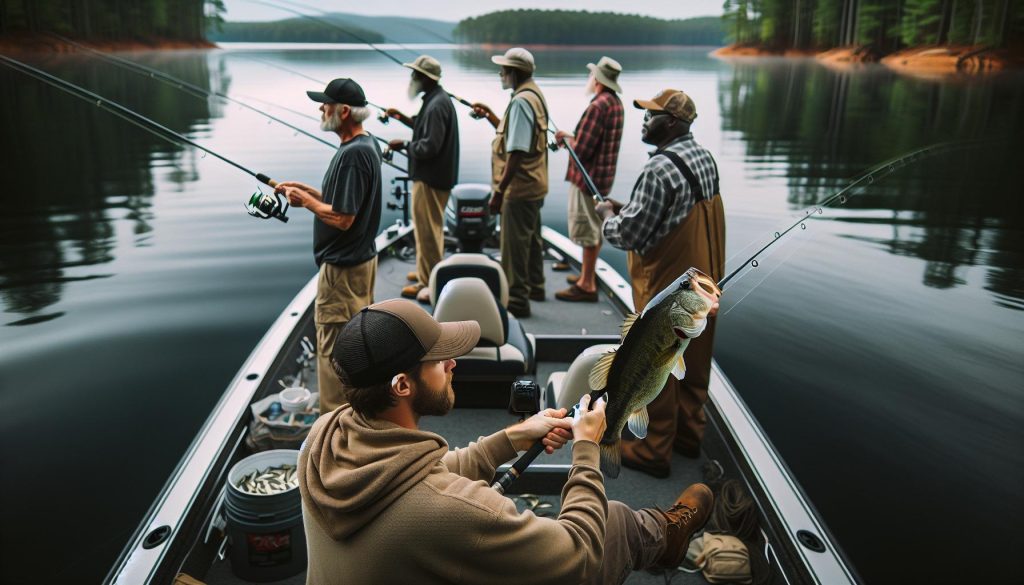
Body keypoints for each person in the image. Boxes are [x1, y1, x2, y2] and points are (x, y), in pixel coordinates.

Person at [298, 298, 714, 585]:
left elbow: (412, 481)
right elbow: (579, 558)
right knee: (613, 522)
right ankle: (666, 536)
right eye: (439, 360)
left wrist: (510, 438)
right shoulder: (452, 513)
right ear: (402, 384)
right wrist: (586, 450)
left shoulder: (322, 438)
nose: (452, 363)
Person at [595, 89, 725, 478]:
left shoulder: (658, 169)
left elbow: (630, 234)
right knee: (695, 360)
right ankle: (689, 435)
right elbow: (669, 213)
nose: (645, 121)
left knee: (655, 362)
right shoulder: (704, 157)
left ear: (670, 123)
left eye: (651, 115)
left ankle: (654, 449)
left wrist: (606, 216)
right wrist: (629, 208)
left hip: (669, 287)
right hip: (704, 284)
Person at [274, 78, 382, 414]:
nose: (321, 108)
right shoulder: (368, 145)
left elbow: (343, 217)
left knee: (335, 353)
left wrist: (305, 202)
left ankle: (335, 433)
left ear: (344, 111)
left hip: (343, 273)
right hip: (362, 264)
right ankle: (361, 418)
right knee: (358, 345)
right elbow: (345, 202)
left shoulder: (353, 155)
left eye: (326, 104)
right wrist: (304, 190)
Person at [471, 48, 549, 318]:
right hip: (535, 184)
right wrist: (492, 116)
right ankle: (536, 287)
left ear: (514, 73)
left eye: (504, 69)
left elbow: (515, 152)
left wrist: (499, 192)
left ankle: (516, 301)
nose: (500, 73)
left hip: (519, 189)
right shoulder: (535, 95)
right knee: (532, 240)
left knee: (513, 248)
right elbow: (518, 136)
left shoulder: (520, 102)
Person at [385, 55, 460, 304]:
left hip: (430, 179)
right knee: (427, 229)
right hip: (435, 177)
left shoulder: (437, 105)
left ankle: (429, 283)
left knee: (428, 232)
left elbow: (429, 146)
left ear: (426, 78)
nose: (412, 78)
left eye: (415, 74)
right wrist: (402, 119)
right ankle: (425, 270)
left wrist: (405, 144)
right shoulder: (436, 100)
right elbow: (425, 128)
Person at [553, 56, 625, 303]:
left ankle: (586, 284)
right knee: (593, 229)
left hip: (587, 179)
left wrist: (565, 140)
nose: (590, 79)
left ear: (598, 80)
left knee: (588, 230)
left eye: (593, 75)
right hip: (603, 178)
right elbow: (596, 141)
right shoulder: (615, 103)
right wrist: (571, 136)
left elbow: (581, 150)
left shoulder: (597, 106)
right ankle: (587, 274)